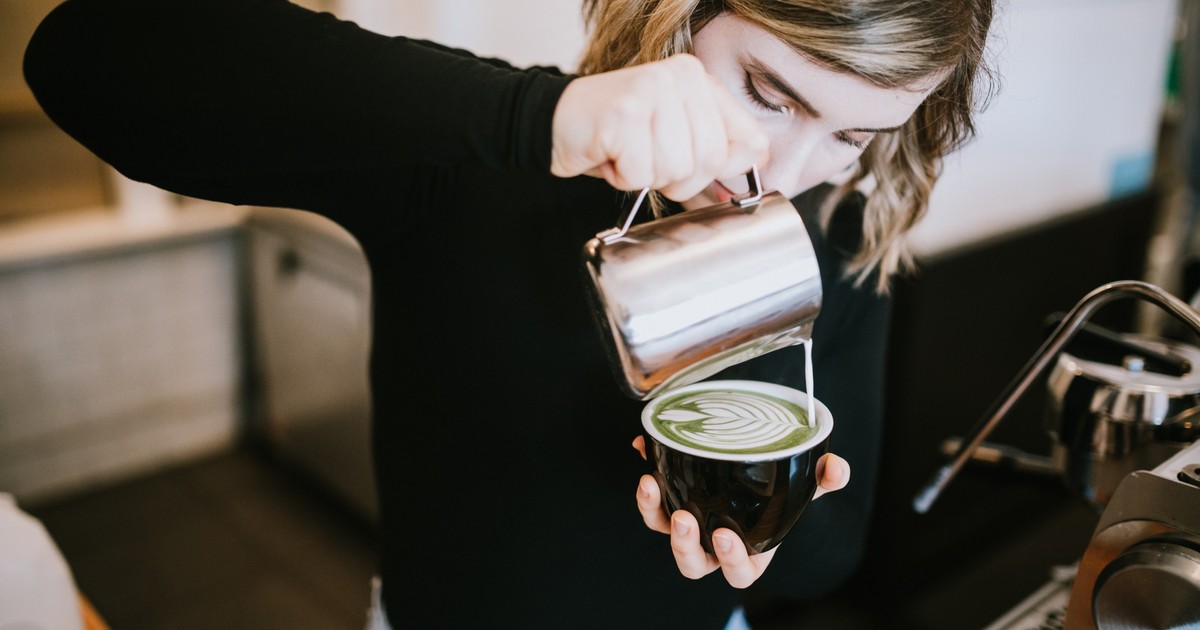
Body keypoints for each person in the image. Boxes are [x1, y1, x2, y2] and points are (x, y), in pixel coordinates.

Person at [23, 0, 994, 627]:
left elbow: (833, 556)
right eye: (766, 95)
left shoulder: (850, 244)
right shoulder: (482, 166)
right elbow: (85, 55)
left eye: (853, 136)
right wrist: (541, 120)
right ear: (679, 15)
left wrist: (767, 532)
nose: (776, 178)